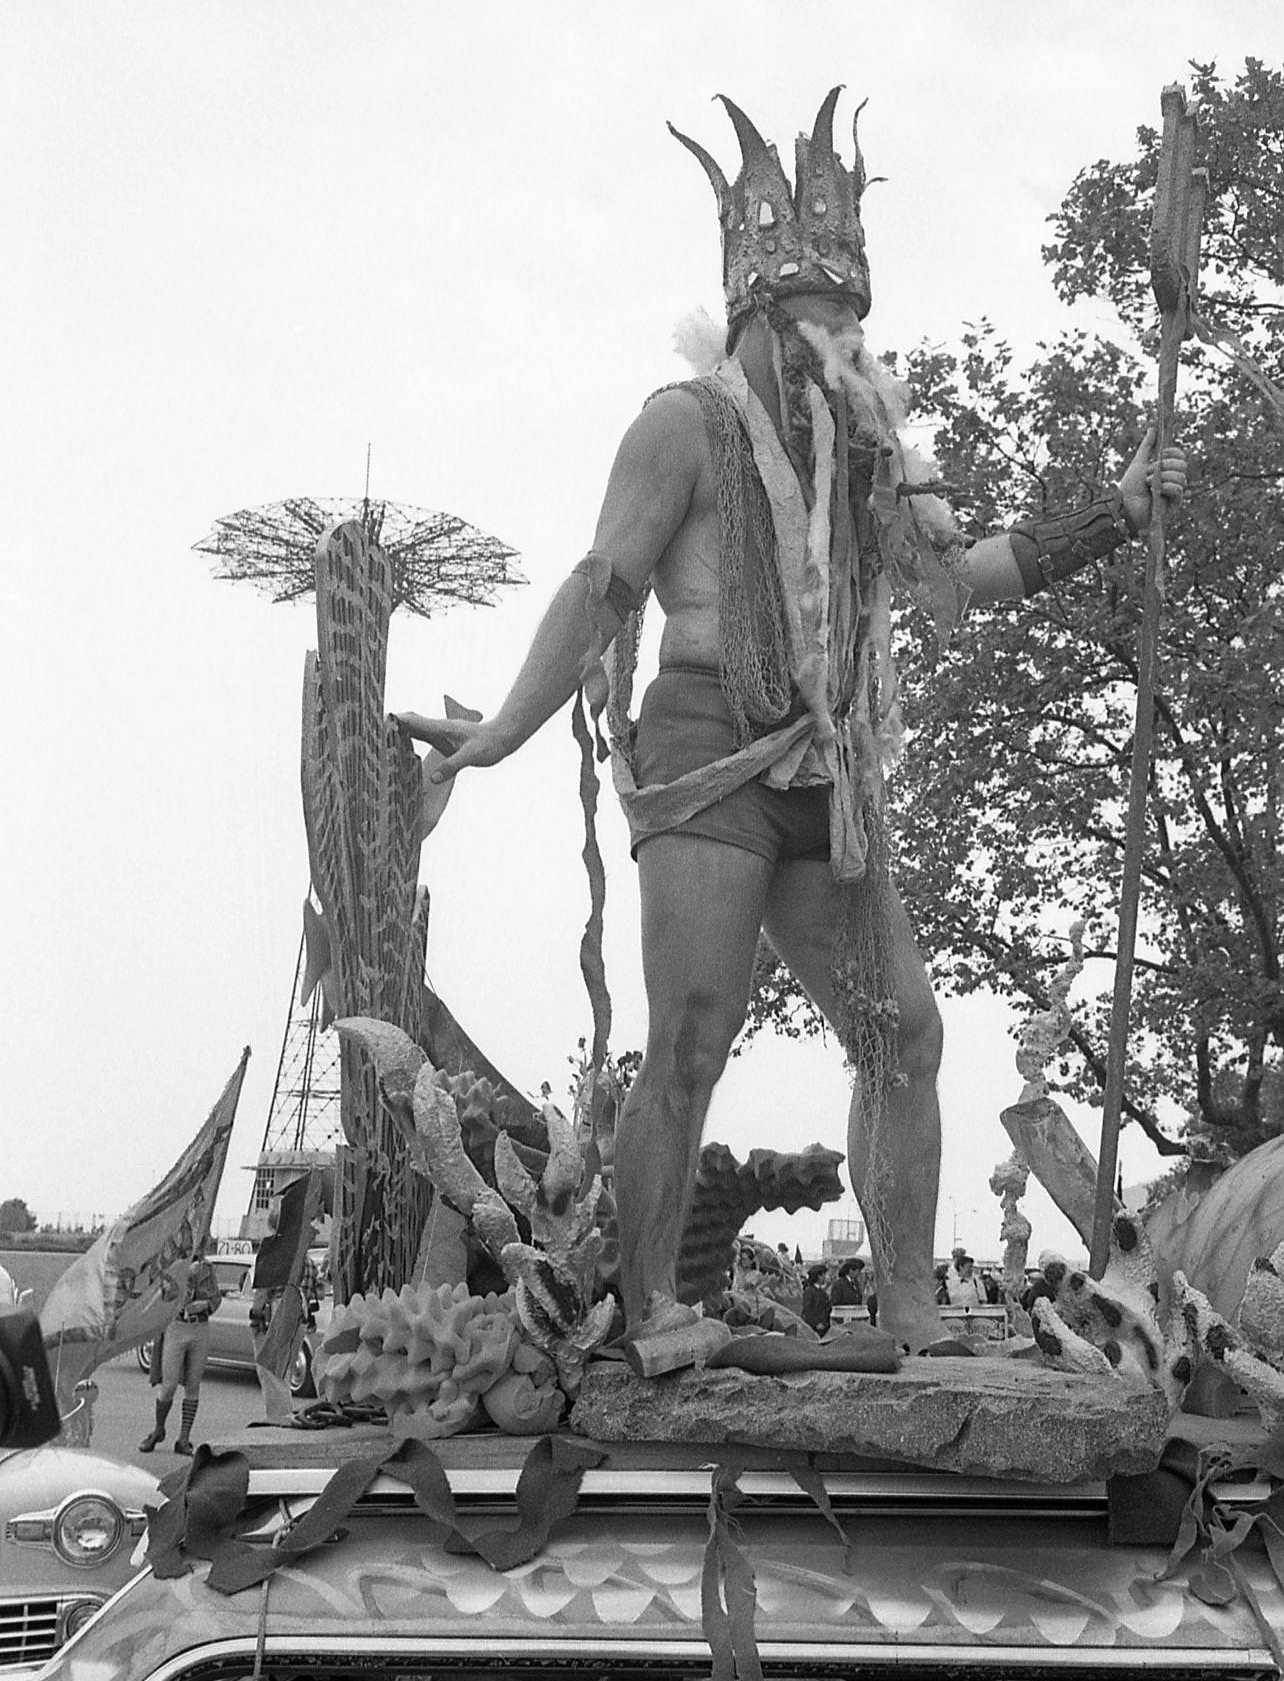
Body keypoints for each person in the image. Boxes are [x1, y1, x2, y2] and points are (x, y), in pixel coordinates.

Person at [399, 91, 1187, 1349]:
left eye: (857, 322)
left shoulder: (871, 458)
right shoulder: (683, 425)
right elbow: (603, 584)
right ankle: (649, 1306)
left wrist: (1120, 511)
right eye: (826, 319)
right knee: (695, 1037)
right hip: (706, 750)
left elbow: (961, 582)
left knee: (905, 1031)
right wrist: (500, 729)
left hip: (828, 774)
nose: (849, 344)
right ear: (763, 317)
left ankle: (915, 1304)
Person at [139, 1249, 221, 1455]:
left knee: (193, 1384)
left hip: (199, 1327)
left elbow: (216, 1298)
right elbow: (164, 1296)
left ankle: (184, 1439)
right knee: (169, 1385)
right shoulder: (170, 1266)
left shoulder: (207, 1268)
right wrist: (185, 1274)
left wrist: (207, 1305)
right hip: (177, 1326)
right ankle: (158, 1430)